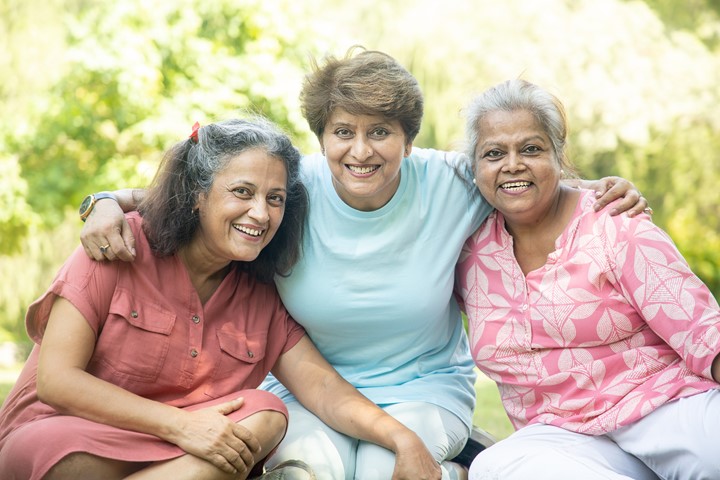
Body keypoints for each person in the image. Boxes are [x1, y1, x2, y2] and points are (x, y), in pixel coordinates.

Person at [78, 49, 649, 479]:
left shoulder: (451, 181)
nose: (361, 150)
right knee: (310, 468)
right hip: (300, 391)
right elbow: (186, 193)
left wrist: (601, 190)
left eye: (381, 132)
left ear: (408, 139)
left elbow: (525, 176)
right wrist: (101, 202)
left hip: (424, 388)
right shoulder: (288, 186)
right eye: (342, 132)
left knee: (382, 467)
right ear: (320, 135)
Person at [0, 118, 442, 480]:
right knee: (69, 464)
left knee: (267, 414)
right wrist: (182, 426)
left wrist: (403, 438)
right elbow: (56, 382)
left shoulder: (261, 294)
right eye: (242, 192)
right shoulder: (117, 244)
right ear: (197, 195)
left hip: (179, 453)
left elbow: (324, 390)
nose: (260, 214)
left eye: (275, 199)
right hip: (67, 434)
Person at [457, 79, 720, 479]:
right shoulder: (467, 250)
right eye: (494, 153)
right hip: (561, 437)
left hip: (663, 405)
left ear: (558, 156)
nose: (512, 164)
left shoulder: (615, 225)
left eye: (531, 149)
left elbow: (704, 333)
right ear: (474, 168)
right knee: (494, 467)